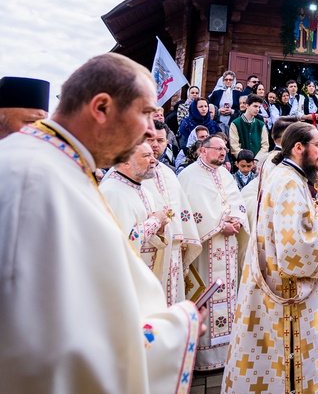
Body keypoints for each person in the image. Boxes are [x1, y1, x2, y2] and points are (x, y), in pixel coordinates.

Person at [0, 53, 202, 392]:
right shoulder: (35, 177)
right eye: (146, 114)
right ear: (102, 108)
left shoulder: (57, 166)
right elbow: (41, 346)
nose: (150, 132)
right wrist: (179, 328)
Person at [222, 123, 318, 393]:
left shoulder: (286, 175)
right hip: (290, 290)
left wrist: (314, 215)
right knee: (290, 359)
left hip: (274, 280)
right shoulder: (289, 181)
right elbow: (294, 248)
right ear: (298, 147)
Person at [179, 134, 249, 370]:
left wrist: (237, 220)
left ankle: (228, 351)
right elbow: (191, 212)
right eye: (218, 148)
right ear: (202, 151)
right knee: (208, 295)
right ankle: (205, 358)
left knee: (229, 294)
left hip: (228, 247)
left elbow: (238, 202)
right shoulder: (188, 176)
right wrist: (221, 225)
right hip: (207, 249)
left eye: (225, 148)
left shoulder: (225, 173)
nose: (223, 152)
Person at [100, 143, 174, 287]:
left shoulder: (145, 192)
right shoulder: (111, 192)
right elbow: (121, 244)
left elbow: (146, 235)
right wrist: (155, 222)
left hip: (144, 276)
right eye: (147, 156)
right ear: (126, 162)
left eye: (152, 155)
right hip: (124, 282)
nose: (154, 160)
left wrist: (159, 230)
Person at [145, 121, 203, 304]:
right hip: (148, 252)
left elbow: (182, 211)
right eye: (150, 139)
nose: (155, 145)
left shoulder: (169, 173)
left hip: (174, 252)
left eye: (160, 140)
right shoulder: (129, 172)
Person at [229, 95, 269, 161]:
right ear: (247, 106)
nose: (257, 109)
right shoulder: (235, 123)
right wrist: (244, 160)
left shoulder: (261, 124)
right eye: (255, 106)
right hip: (240, 163)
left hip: (257, 163)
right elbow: (234, 146)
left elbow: (265, 146)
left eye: (259, 107)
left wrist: (256, 160)